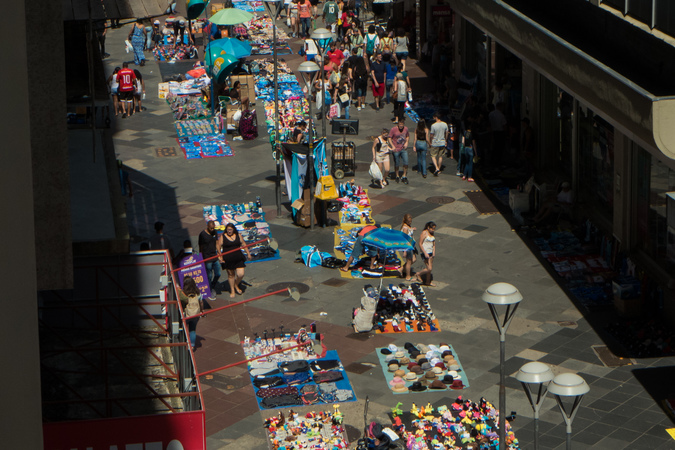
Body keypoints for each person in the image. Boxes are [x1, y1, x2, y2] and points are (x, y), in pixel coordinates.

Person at [218, 223, 251, 298]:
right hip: (228, 260)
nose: (229, 231)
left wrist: (248, 253)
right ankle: (232, 290)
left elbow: (243, 244)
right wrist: (220, 257)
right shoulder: (223, 237)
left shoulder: (238, 235)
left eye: (230, 229)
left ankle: (236, 284)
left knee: (240, 274)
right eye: (228, 229)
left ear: (233, 229)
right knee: (231, 275)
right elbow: (218, 246)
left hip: (238, 258)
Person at [176, 276, 203, 351]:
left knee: (183, 328)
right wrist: (201, 311)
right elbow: (201, 303)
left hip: (187, 315)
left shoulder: (184, 294)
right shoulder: (198, 293)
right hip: (196, 315)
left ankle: (183, 342)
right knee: (193, 330)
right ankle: (192, 346)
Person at [199, 220, 221, 301]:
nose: (212, 230)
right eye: (211, 228)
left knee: (218, 274)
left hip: (214, 256)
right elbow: (200, 246)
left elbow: (217, 243)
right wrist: (201, 257)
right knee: (209, 275)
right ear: (207, 226)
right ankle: (210, 290)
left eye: (213, 228)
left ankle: (211, 285)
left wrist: (219, 253)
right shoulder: (202, 234)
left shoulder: (215, 232)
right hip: (207, 257)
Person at [414, 221, 436, 286]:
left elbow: (434, 244)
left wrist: (434, 251)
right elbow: (420, 243)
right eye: (432, 228)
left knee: (430, 269)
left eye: (434, 229)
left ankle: (428, 282)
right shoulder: (424, 233)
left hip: (431, 252)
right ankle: (418, 274)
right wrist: (425, 253)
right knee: (429, 268)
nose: (433, 230)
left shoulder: (432, 234)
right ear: (428, 227)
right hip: (425, 252)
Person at [389, 118, 410, 184]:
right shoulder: (393, 129)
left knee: (406, 162)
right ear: (398, 124)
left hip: (403, 148)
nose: (401, 126)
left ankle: (404, 175)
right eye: (400, 124)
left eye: (402, 124)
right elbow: (389, 137)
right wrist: (392, 146)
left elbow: (407, 136)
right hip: (396, 149)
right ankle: (397, 175)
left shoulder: (406, 129)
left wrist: (406, 142)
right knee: (397, 163)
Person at [400, 214, 417, 281]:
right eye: (409, 221)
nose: (410, 222)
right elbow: (404, 239)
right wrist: (405, 251)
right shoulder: (405, 228)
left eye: (411, 221)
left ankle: (401, 269)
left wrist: (412, 229)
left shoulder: (407, 226)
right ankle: (408, 276)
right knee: (409, 261)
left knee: (414, 259)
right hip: (407, 247)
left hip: (411, 245)